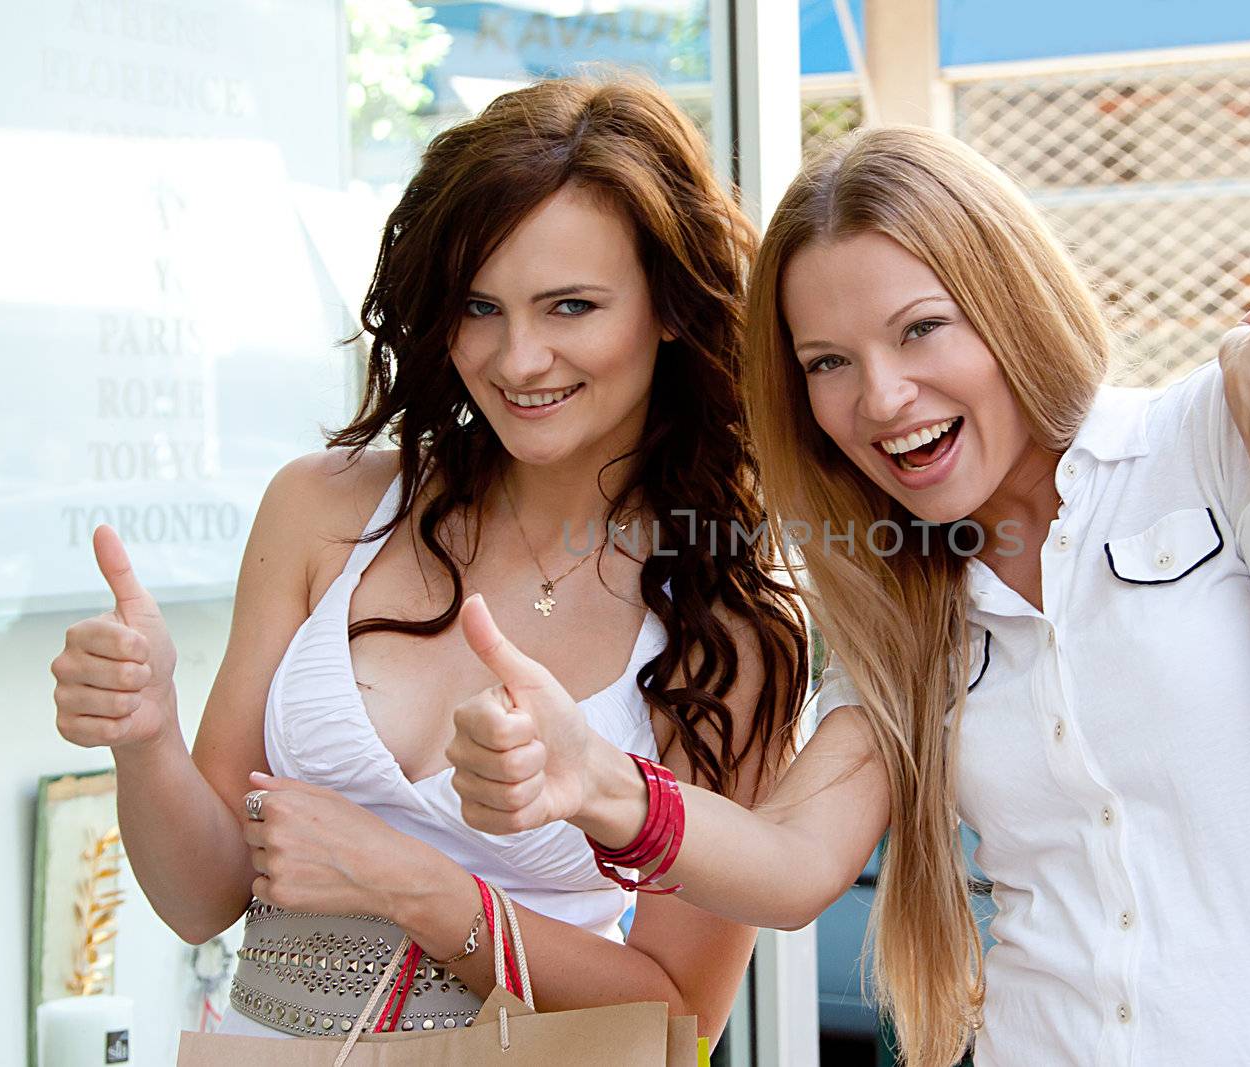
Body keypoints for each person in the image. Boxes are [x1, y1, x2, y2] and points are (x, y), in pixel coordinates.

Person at [446, 125, 1250, 1066]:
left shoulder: (1213, 440)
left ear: (1007, 300)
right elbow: (793, 863)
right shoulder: (901, 596)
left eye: (920, 330)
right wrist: (592, 778)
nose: (879, 398)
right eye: (827, 363)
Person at [48, 76, 810, 1041]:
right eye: (480, 307)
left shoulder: (724, 614)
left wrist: (419, 889)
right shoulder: (323, 509)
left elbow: (683, 1010)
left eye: (570, 306)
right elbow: (203, 900)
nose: (517, 358)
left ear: (668, 307)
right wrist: (144, 731)